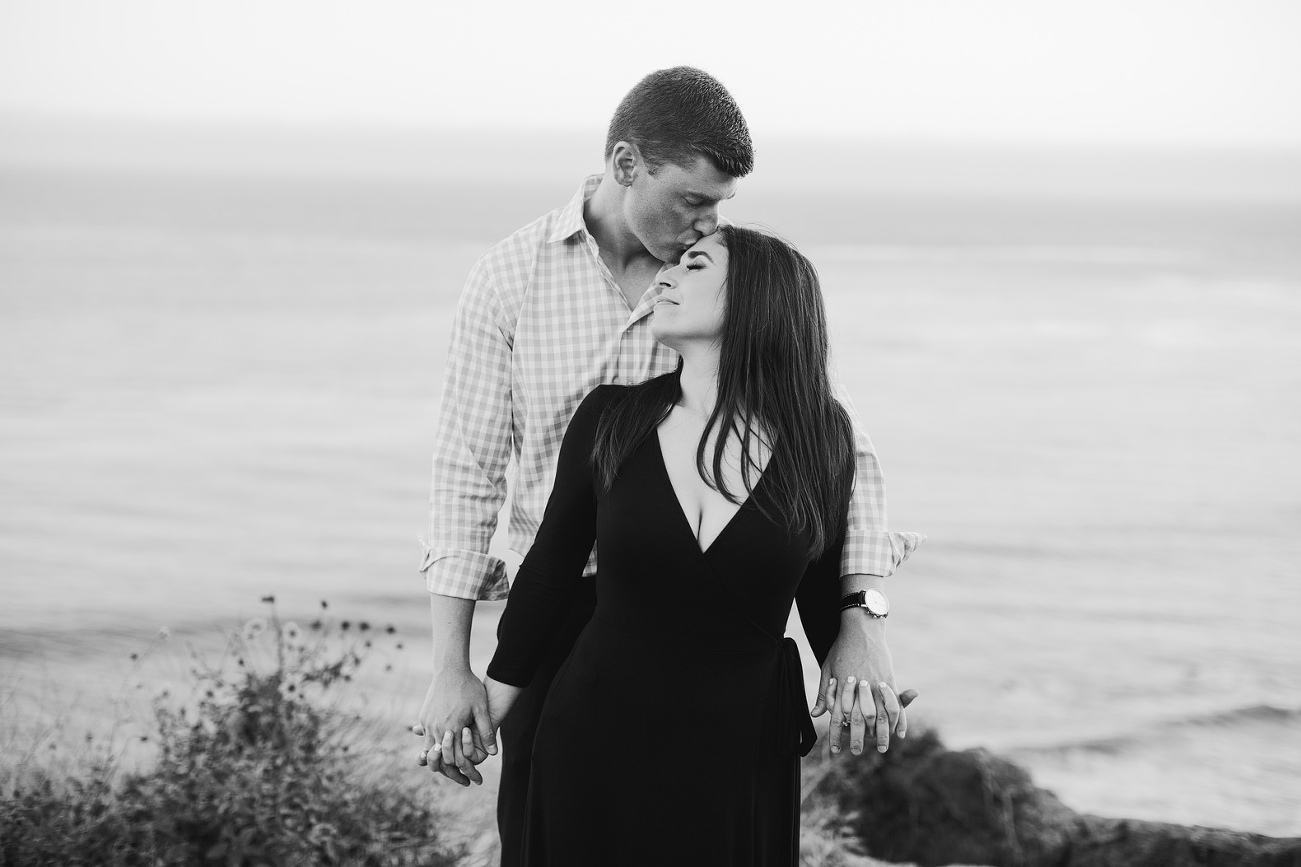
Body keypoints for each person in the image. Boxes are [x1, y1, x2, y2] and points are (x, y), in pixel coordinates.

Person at [413, 67, 921, 864]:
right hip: (558, 619)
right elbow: (466, 475)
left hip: (711, 636)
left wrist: (860, 617)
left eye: (720, 207)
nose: (705, 224)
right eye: (692, 200)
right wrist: (454, 668)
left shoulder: (727, 279)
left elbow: (839, 456)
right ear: (625, 165)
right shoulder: (510, 279)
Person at [480, 226, 912, 864]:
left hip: (741, 754)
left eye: (693, 266)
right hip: (594, 738)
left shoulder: (822, 438)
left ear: (755, 299)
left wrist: (857, 686)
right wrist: (480, 709)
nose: (663, 279)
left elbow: (823, 592)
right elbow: (547, 574)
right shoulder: (608, 418)